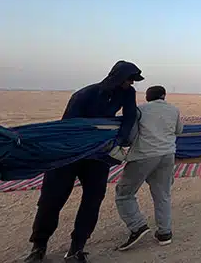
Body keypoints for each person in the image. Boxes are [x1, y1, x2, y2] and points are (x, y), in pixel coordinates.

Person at [24, 61, 143, 263]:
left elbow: (130, 116)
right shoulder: (84, 95)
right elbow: (70, 127)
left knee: (92, 201)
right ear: (118, 77)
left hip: (98, 155)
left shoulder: (127, 93)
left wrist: (119, 140)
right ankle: (38, 246)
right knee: (51, 200)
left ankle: (76, 249)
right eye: (130, 79)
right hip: (68, 153)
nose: (132, 83)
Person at [114, 86, 183, 251]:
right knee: (162, 195)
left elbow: (131, 134)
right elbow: (178, 130)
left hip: (143, 155)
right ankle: (165, 233)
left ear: (147, 97)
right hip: (167, 155)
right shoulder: (174, 110)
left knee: (124, 194)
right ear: (164, 96)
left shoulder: (140, 110)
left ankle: (137, 226)